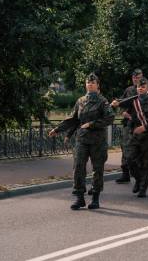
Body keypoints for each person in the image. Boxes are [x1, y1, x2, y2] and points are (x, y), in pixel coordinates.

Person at [49, 73, 115, 210]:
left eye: (93, 82)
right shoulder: (80, 101)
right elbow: (72, 119)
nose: (90, 84)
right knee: (78, 167)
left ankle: (95, 198)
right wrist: (58, 129)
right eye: (88, 82)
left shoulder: (103, 101)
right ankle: (80, 198)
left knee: (97, 169)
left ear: (98, 85)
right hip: (82, 139)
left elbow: (110, 118)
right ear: (85, 85)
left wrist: (92, 124)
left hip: (97, 140)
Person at [111, 77, 148, 198]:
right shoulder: (133, 101)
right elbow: (120, 103)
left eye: (143, 87)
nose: (140, 89)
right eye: (139, 87)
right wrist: (115, 104)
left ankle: (143, 188)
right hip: (135, 136)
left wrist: (145, 127)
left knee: (146, 164)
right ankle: (138, 180)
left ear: (147, 88)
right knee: (129, 159)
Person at [115, 69, 143, 184]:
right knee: (125, 147)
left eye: (138, 78)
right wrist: (123, 112)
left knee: (139, 150)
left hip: (141, 125)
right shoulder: (129, 90)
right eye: (134, 78)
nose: (136, 80)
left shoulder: (147, 90)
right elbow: (121, 102)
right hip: (128, 124)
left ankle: (141, 175)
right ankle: (125, 173)